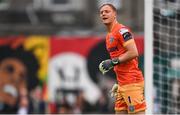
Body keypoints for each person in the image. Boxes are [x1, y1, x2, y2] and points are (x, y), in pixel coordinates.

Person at [98, 3, 146, 114]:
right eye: (101, 12)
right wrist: (119, 83)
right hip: (122, 84)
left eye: (107, 11)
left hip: (131, 82)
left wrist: (113, 62)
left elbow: (134, 52)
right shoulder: (109, 35)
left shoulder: (122, 30)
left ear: (115, 14)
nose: (103, 14)